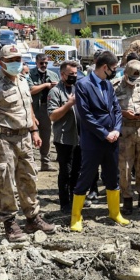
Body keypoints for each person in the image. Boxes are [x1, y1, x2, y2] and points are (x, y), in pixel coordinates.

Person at [0, 45, 56, 242]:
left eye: (18, 59)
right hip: (3, 140)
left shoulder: (22, 81)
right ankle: (10, 223)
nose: (16, 63)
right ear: (1, 62)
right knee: (5, 182)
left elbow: (27, 106)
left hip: (24, 138)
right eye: (11, 60)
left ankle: (32, 218)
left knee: (29, 178)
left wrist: (34, 130)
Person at [71, 50, 128, 231]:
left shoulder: (108, 85)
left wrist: (116, 130)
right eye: (113, 69)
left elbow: (117, 110)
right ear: (105, 67)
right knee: (86, 176)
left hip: (112, 140)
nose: (115, 72)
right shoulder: (83, 85)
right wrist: (104, 133)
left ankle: (114, 212)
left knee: (113, 176)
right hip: (94, 140)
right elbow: (86, 115)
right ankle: (76, 217)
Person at [113, 60, 140, 214]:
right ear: (125, 73)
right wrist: (124, 113)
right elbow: (110, 107)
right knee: (125, 166)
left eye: (136, 79)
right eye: (131, 79)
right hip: (125, 130)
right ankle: (127, 199)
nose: (133, 82)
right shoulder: (116, 85)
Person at [48, 61, 81, 214]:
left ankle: (76, 199)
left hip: (80, 137)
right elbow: (53, 116)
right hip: (64, 138)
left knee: (77, 171)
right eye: (71, 74)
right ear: (62, 75)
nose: (74, 77)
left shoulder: (78, 88)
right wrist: (68, 104)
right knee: (66, 172)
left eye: (75, 74)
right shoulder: (55, 92)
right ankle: (65, 203)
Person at [28, 53, 60, 171]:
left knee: (46, 137)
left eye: (46, 63)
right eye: (41, 63)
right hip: (33, 109)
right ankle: (30, 163)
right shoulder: (30, 74)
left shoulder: (53, 75)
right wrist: (46, 85)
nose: (44, 65)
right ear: (36, 63)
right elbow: (30, 90)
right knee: (31, 136)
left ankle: (45, 163)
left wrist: (56, 87)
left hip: (47, 109)